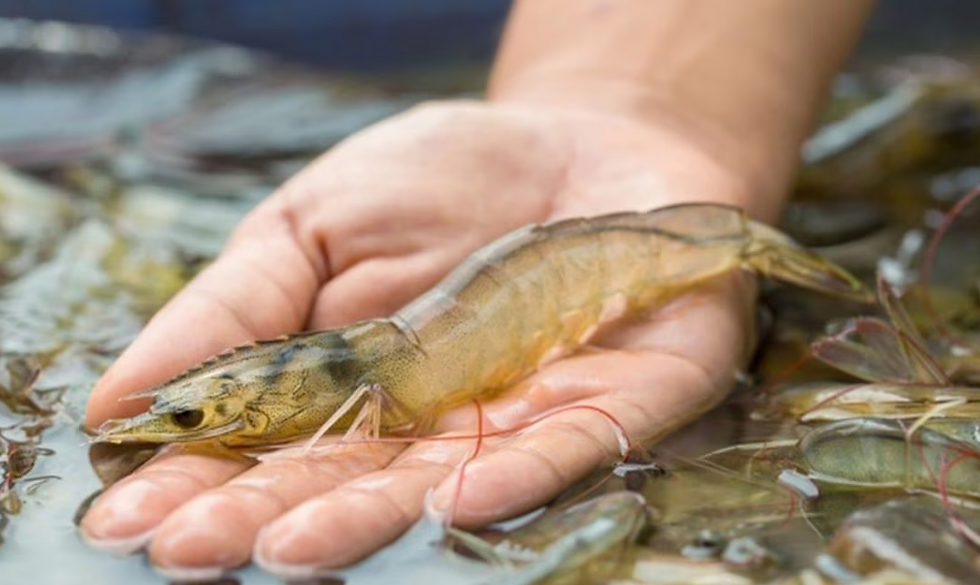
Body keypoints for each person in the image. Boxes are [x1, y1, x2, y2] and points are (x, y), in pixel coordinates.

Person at [80, 0, 876, 578]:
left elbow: (365, 403)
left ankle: (737, 244)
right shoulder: (331, 368)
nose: (179, 425)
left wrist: (655, 117)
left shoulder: (366, 381)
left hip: (563, 267)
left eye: (191, 416)